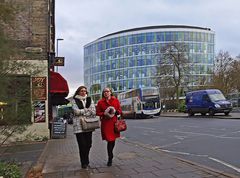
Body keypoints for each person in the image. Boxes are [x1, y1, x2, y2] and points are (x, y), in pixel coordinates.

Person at [96, 87, 122, 166]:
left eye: (107, 91)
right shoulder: (100, 102)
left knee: (112, 140)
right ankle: (110, 157)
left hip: (114, 123)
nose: (106, 93)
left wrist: (116, 111)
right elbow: (97, 112)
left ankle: (110, 155)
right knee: (109, 140)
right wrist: (104, 113)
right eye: (104, 92)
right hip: (106, 123)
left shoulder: (115, 100)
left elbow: (120, 110)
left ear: (110, 92)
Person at [71, 86, 96, 169]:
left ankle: (86, 159)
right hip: (78, 126)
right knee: (82, 145)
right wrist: (86, 110)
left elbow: (93, 111)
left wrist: (83, 112)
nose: (83, 92)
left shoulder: (89, 99)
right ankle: (84, 162)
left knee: (89, 144)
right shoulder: (74, 100)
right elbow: (76, 111)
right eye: (82, 91)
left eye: (85, 91)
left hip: (88, 125)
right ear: (78, 92)